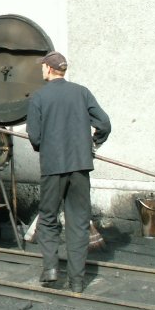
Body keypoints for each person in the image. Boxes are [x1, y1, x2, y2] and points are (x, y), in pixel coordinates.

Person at [26, 51, 111, 293]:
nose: (41, 69)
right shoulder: (81, 93)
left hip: (53, 168)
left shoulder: (39, 97)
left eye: (43, 66)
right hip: (80, 167)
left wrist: (44, 147)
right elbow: (104, 123)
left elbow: (35, 137)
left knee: (49, 219)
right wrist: (93, 144)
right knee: (79, 223)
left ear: (50, 69)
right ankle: (77, 282)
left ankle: (51, 269)